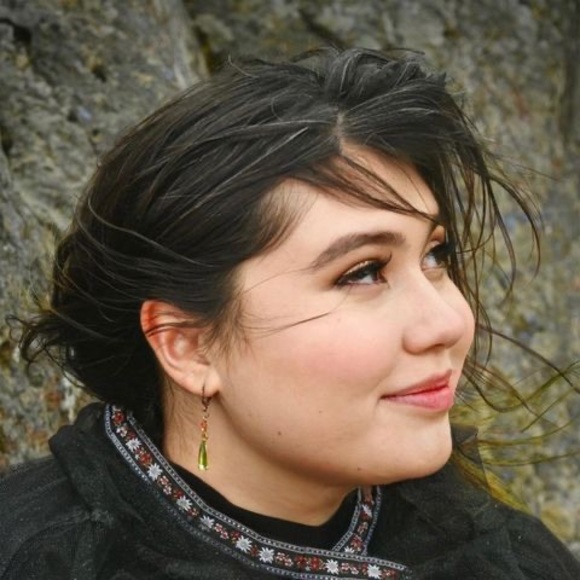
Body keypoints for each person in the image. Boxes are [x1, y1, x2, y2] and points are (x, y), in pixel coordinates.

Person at [0, 47, 578, 580]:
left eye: (435, 255)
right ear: (188, 346)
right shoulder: (43, 559)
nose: (448, 323)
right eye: (363, 272)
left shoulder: (501, 559)